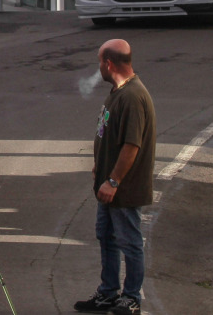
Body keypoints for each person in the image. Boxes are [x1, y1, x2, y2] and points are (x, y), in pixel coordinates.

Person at [75, 39, 156, 315]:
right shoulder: (118, 92)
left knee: (129, 241)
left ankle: (131, 297)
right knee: (107, 237)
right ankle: (108, 292)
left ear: (109, 63)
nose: (99, 68)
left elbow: (132, 145)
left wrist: (113, 181)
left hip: (123, 188)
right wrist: (100, 167)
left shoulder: (132, 97)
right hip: (108, 184)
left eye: (100, 62)